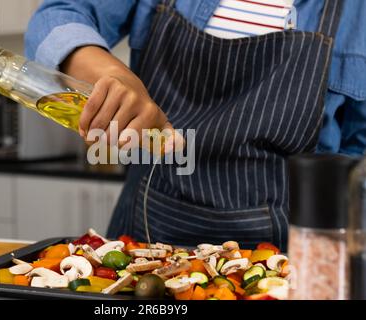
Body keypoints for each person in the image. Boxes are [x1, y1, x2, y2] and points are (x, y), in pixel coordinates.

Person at [25, 0, 366, 250]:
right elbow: (57, 15)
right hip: (144, 243)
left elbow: (356, 168)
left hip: (286, 264)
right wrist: (113, 77)